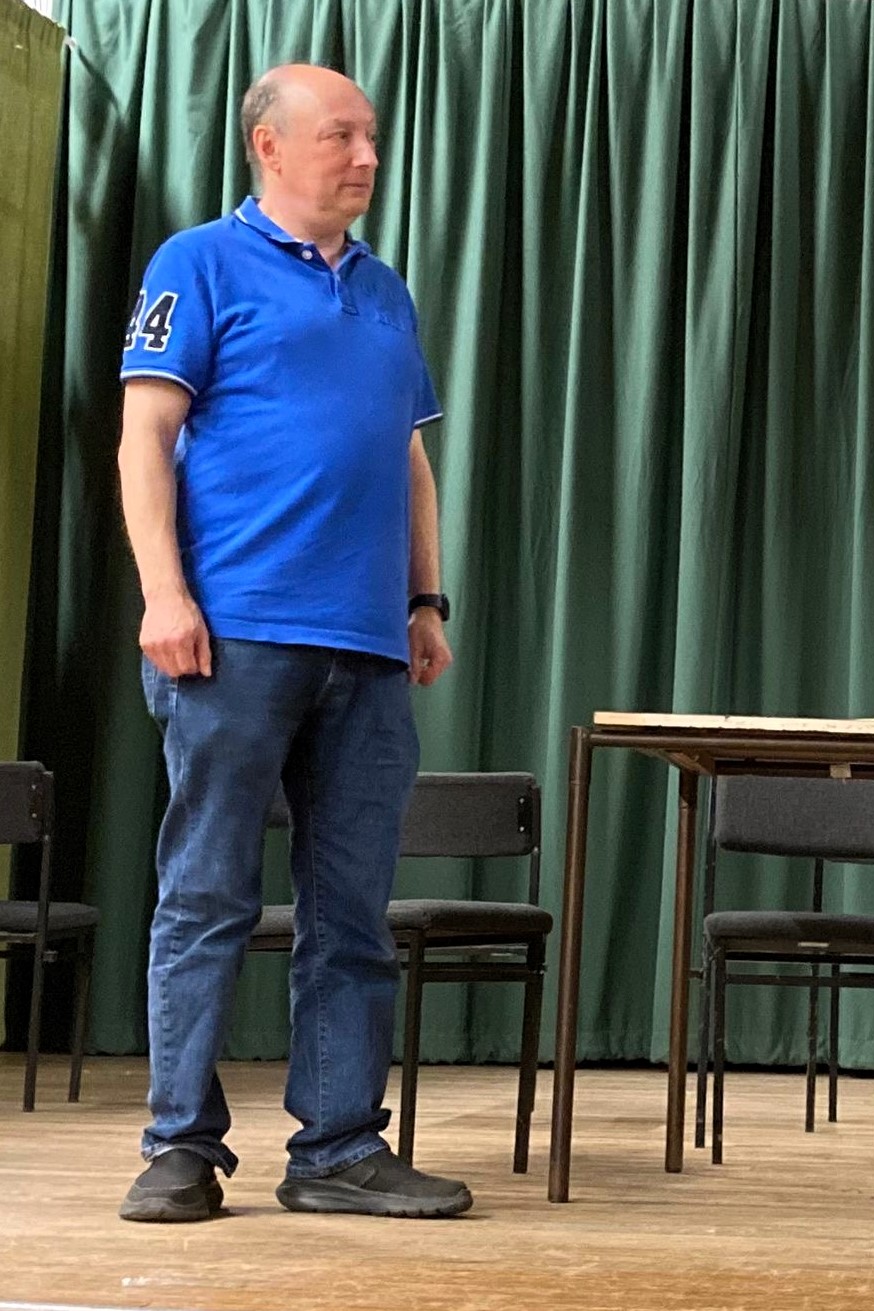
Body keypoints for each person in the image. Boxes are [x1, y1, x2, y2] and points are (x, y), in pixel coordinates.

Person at [116, 64, 468, 1221]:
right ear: (267, 145)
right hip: (234, 637)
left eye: (371, 136)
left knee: (352, 912)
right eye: (341, 136)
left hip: (365, 649)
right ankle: (179, 1148)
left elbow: (407, 458)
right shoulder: (198, 263)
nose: (367, 156)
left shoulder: (387, 293)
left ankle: (338, 1151)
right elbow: (143, 437)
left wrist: (424, 602)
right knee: (205, 896)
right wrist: (164, 596)